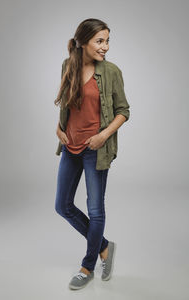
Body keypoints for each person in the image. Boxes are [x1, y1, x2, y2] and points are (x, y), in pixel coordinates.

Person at [54, 18, 130, 290]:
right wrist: (59, 128)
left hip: (95, 150)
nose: (105, 47)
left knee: (95, 210)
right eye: (100, 41)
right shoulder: (68, 66)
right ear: (83, 42)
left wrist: (102, 136)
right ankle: (105, 246)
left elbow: (123, 111)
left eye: (108, 41)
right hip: (70, 146)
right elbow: (68, 103)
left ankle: (87, 266)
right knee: (62, 205)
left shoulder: (111, 72)